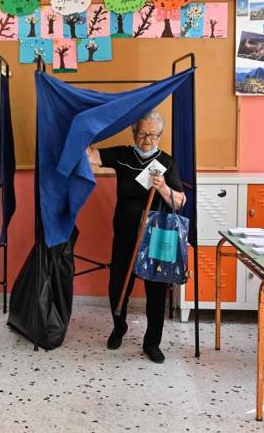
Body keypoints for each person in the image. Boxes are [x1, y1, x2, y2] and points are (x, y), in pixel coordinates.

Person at [86, 110, 186, 364]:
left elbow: (181, 201)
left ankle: (152, 343)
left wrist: (163, 187)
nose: (147, 140)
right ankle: (119, 328)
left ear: (160, 136)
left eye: (153, 135)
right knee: (117, 286)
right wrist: (87, 129)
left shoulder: (167, 162)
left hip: (154, 238)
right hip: (125, 234)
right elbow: (90, 157)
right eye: (142, 134)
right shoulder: (122, 155)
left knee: (155, 291)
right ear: (133, 133)